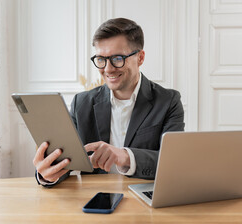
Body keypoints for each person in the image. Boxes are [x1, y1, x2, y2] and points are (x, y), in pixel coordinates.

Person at [33, 18, 185, 187]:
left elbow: (174, 163)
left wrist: (126, 156)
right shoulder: (81, 103)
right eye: (101, 59)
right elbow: (65, 162)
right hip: (95, 199)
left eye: (117, 58)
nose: (108, 69)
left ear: (140, 58)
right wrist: (47, 175)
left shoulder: (169, 101)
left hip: (145, 199)